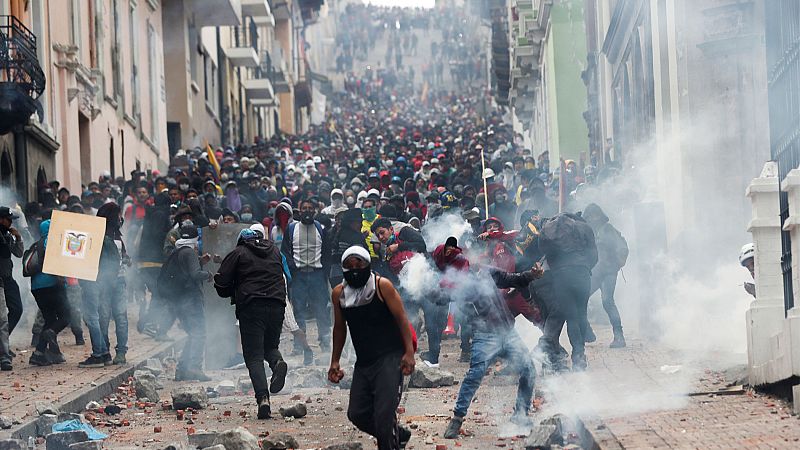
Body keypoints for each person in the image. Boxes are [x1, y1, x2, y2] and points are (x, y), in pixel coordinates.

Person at [328, 246, 414, 450]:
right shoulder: (339, 294)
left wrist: (409, 352)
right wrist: (334, 361)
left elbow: (401, 318)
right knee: (356, 413)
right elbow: (339, 328)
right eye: (349, 266)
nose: (355, 269)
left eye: (359, 264)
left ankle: (390, 441)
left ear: (368, 264)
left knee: (384, 416)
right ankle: (397, 434)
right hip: (364, 361)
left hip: (390, 357)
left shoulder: (381, 286)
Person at [443, 264, 541, 439]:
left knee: (529, 369)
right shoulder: (457, 283)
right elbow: (442, 298)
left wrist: (531, 275)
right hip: (485, 335)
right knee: (475, 375)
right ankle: (457, 420)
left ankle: (521, 415)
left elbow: (513, 279)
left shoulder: (485, 271)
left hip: (508, 332)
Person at [214, 228, 289, 418]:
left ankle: (263, 399)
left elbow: (222, 284)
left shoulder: (238, 253)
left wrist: (232, 288)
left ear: (241, 241)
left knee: (253, 356)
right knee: (270, 346)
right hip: (277, 304)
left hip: (251, 306)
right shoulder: (273, 250)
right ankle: (277, 362)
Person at [159, 223, 212, 381]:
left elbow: (186, 271)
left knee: (192, 334)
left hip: (179, 300)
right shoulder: (189, 252)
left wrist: (200, 261)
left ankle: (182, 370)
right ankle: (195, 367)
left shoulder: (179, 251)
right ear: (196, 239)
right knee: (199, 333)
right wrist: (208, 274)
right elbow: (195, 274)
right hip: (191, 299)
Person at [280, 199, 332, 351]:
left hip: (317, 275)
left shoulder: (321, 229)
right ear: (300, 210)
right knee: (299, 310)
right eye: (305, 208)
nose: (307, 210)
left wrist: (324, 273)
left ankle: (325, 342)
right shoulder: (291, 229)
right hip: (299, 276)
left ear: (315, 211)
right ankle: (299, 345)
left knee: (321, 310)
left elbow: (327, 253)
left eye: (310, 208)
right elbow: (285, 252)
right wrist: (292, 269)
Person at [581, 203, 628, 348]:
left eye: (592, 216)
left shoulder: (608, 229)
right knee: (581, 299)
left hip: (608, 272)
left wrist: (617, 264)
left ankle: (619, 337)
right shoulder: (590, 233)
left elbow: (622, 248)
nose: (591, 219)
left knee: (607, 301)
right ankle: (586, 332)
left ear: (598, 216)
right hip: (595, 272)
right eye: (588, 217)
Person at [27, 220, 71, 366]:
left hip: (37, 288)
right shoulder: (54, 242)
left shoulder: (37, 243)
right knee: (66, 317)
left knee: (50, 319)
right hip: (53, 285)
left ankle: (38, 354)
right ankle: (50, 334)